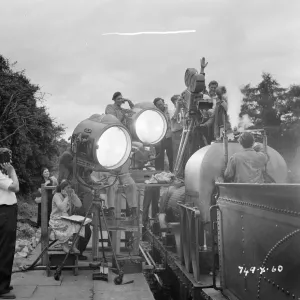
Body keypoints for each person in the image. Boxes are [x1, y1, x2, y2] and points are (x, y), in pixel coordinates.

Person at [105, 92, 138, 218]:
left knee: (131, 184)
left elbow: (134, 113)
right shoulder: (110, 108)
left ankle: (133, 208)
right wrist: (124, 116)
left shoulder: (124, 110)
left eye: (121, 99)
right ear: (114, 99)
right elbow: (113, 121)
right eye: (118, 99)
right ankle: (111, 209)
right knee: (111, 185)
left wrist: (129, 102)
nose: (120, 101)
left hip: (123, 173)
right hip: (112, 173)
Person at [58, 147, 92, 260]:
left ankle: (78, 251)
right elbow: (76, 177)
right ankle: (76, 251)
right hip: (68, 195)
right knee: (84, 230)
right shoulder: (68, 155)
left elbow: (84, 178)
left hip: (74, 199)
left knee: (85, 230)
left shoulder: (74, 157)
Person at [0, 156, 19, 299]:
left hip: (8, 212)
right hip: (5, 212)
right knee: (5, 249)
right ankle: (2, 288)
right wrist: (12, 171)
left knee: (7, 248)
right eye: (8, 159)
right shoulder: (1, 175)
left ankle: (4, 282)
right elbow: (16, 187)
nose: (10, 162)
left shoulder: (2, 174)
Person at [49, 181, 85, 253]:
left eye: (71, 187)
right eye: (68, 187)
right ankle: (64, 245)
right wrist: (66, 197)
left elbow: (79, 205)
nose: (70, 189)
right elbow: (62, 207)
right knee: (67, 225)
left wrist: (74, 195)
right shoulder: (57, 195)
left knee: (79, 225)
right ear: (62, 188)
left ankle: (73, 245)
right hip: (56, 219)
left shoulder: (70, 195)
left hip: (66, 218)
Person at [153, 97, 173, 172]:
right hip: (159, 137)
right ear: (156, 106)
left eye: (161, 104)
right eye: (158, 105)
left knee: (171, 155)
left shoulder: (169, 112)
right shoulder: (155, 113)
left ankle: (172, 172)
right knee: (159, 156)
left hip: (168, 136)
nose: (161, 106)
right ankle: (158, 172)